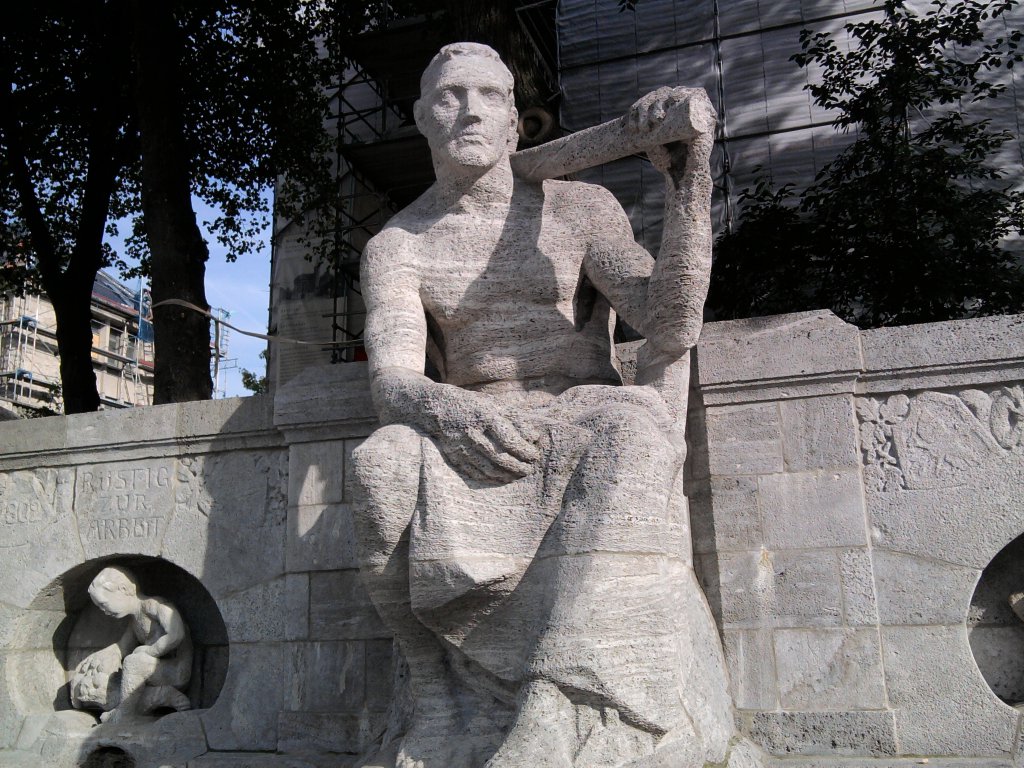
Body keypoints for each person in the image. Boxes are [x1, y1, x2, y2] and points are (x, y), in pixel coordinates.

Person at [352, 43, 751, 768]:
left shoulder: (579, 208)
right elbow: (393, 381)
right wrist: (450, 412)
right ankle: (435, 698)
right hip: (472, 427)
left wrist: (689, 187)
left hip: (580, 411)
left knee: (629, 425)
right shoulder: (398, 245)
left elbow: (669, 326)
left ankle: (559, 701)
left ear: (514, 121)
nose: (469, 109)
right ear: (420, 118)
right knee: (378, 464)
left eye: (488, 95)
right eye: (449, 97)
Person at [71, 566, 192, 724]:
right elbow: (122, 647)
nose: (103, 610)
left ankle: (125, 715)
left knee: (133, 663)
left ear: (123, 590)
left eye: (103, 603)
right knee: (114, 684)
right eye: (99, 607)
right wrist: (103, 656)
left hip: (176, 671)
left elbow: (176, 634)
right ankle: (162, 696)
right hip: (156, 673)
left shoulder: (154, 605)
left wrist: (150, 651)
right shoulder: (134, 621)